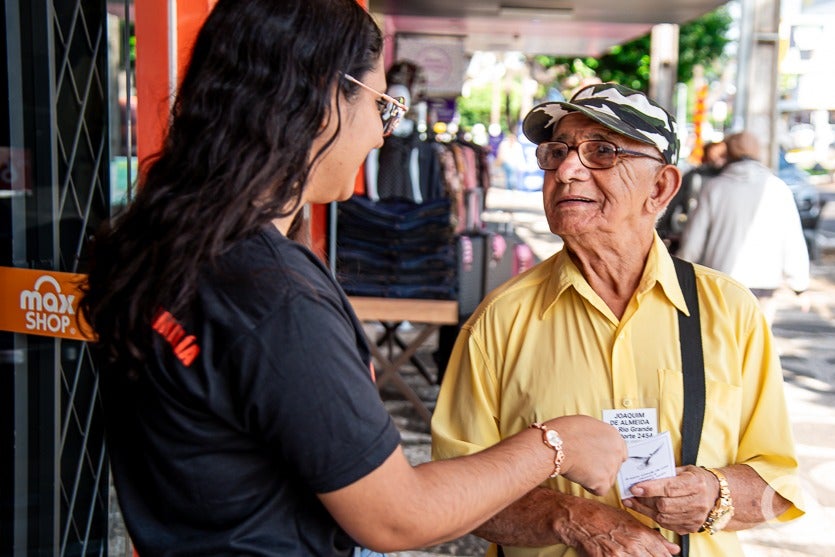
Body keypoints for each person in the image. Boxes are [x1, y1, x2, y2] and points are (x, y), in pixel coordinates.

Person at [78, 2, 628, 555]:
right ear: (321, 98)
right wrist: (555, 444)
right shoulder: (273, 298)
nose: (381, 135)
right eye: (380, 105)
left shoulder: (167, 241)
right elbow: (398, 517)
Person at [432, 83, 804, 557]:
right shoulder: (499, 321)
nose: (567, 170)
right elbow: (457, 493)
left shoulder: (730, 311)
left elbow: (777, 491)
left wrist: (716, 494)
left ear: (661, 187)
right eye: (557, 152)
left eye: (602, 152)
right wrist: (568, 517)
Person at [677, 131, 810, 325]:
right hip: (765, 285)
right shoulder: (777, 188)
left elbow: (693, 241)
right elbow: (792, 239)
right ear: (758, 152)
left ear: (728, 153)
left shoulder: (715, 188)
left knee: (722, 340)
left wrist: (680, 274)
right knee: (758, 341)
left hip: (722, 282)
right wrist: (799, 284)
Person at [656, 140, 727, 251]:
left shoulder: (697, 175)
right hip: (692, 235)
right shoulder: (725, 181)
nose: (718, 159)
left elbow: (673, 203)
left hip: (690, 235)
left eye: (721, 155)